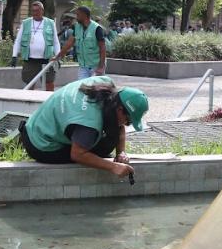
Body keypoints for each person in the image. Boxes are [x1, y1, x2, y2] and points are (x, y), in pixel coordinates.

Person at [19, 76, 147, 178]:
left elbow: (118, 124)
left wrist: (121, 152)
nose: (125, 125)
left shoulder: (105, 84)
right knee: (104, 146)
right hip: (40, 145)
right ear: (119, 110)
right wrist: (114, 167)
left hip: (35, 125)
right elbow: (77, 154)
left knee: (112, 127)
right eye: (128, 121)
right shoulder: (89, 124)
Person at [11, 1, 61, 91]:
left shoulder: (50, 23)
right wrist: (14, 56)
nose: (35, 13)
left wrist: (58, 57)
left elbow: (56, 42)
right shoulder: (25, 23)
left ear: (42, 11)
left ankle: (49, 102)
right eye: (33, 11)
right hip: (30, 60)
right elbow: (18, 40)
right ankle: (29, 102)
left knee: (49, 83)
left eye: (37, 11)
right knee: (30, 83)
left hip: (47, 60)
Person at [53, 6, 107, 80]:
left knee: (95, 89)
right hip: (83, 66)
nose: (76, 17)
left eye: (78, 15)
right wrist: (58, 56)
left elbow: (102, 48)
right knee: (82, 88)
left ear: (84, 15)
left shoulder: (97, 28)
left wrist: (101, 67)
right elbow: (69, 43)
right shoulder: (77, 27)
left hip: (96, 66)